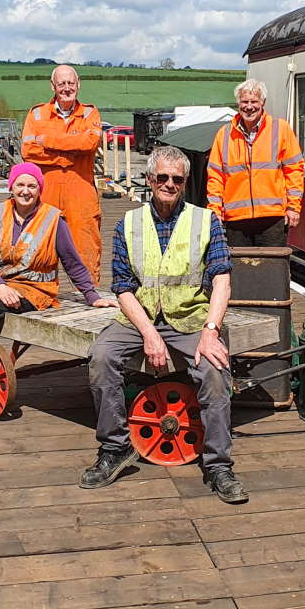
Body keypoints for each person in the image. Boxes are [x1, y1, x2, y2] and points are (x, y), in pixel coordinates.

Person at [82, 145, 247, 503]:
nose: (169, 184)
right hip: (139, 315)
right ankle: (114, 448)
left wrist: (210, 331)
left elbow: (222, 279)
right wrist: (148, 333)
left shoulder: (207, 221)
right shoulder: (128, 223)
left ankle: (218, 464)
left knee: (216, 371)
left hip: (190, 317)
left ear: (185, 182)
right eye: (162, 177)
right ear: (149, 179)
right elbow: (123, 287)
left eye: (177, 179)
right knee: (101, 357)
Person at [0, 163, 115, 420]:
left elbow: (72, 262)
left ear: (39, 190)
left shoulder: (53, 219)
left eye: (32, 186)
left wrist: (92, 296)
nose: (25, 191)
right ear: (11, 187)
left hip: (34, 288)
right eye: (20, 185)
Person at [21, 65, 103, 282]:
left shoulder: (89, 113)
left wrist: (47, 141)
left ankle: (90, 301)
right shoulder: (37, 114)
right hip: (47, 193)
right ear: (53, 86)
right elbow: (28, 151)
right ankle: (38, 299)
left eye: (71, 83)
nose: (67, 88)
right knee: (41, 250)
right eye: (61, 83)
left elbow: (90, 142)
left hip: (81, 196)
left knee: (86, 250)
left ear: (78, 84)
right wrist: (68, 157)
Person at [205, 78, 305, 247]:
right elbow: (215, 176)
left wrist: (293, 207)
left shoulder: (280, 129)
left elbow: (294, 170)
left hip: (272, 219)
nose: (249, 106)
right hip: (236, 220)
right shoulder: (224, 134)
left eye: (254, 101)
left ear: (263, 102)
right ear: (238, 103)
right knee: (238, 270)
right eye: (245, 101)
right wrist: (214, 210)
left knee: (272, 269)